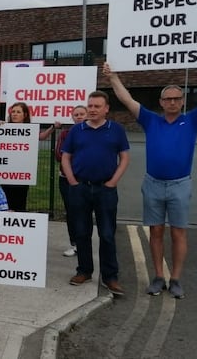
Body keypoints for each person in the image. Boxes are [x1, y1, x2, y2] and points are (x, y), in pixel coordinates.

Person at [104, 53, 197, 299]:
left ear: (182, 101)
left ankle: (175, 279)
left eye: (177, 98)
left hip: (180, 185)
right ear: (162, 102)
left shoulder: (192, 120)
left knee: (178, 233)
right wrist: (112, 77)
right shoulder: (150, 120)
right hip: (152, 184)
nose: (173, 102)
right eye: (168, 99)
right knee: (155, 232)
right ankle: (158, 276)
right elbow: (127, 99)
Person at [61, 90, 130, 296]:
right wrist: (72, 181)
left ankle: (110, 276)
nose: (92, 110)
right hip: (80, 187)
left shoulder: (116, 130)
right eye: (90, 106)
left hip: (105, 189)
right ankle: (84, 271)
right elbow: (66, 157)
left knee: (107, 234)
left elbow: (124, 157)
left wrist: (113, 182)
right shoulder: (77, 130)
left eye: (97, 106)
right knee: (82, 232)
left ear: (106, 109)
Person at [0, 102, 58, 212]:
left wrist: (53, 127)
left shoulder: (30, 129)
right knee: (6, 202)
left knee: (20, 202)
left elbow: (41, 137)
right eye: (13, 112)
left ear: (25, 115)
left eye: (18, 112)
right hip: (7, 172)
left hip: (22, 172)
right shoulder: (4, 127)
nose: (15, 114)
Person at [55, 105, 88, 257]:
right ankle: (74, 244)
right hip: (66, 179)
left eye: (82, 114)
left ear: (87, 115)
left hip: (85, 179)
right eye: (76, 114)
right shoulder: (65, 134)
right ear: (72, 117)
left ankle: (84, 244)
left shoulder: (92, 133)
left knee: (84, 212)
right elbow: (59, 155)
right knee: (71, 212)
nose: (79, 116)